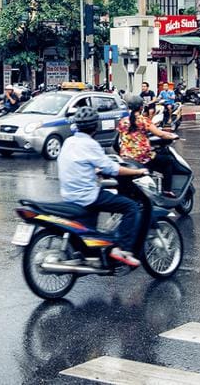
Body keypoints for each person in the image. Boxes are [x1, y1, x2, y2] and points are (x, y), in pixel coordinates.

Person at [58, 106, 149, 268]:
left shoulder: (68, 142)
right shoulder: (91, 144)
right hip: (87, 195)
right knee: (131, 207)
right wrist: (137, 171)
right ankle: (122, 249)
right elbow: (113, 169)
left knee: (92, 221)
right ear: (95, 127)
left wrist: (94, 170)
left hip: (69, 194)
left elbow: (78, 163)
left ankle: (94, 252)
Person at [118, 94, 179, 195]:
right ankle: (167, 190)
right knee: (168, 161)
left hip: (126, 156)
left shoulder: (123, 121)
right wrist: (172, 136)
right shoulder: (143, 120)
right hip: (142, 156)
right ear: (141, 107)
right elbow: (160, 134)